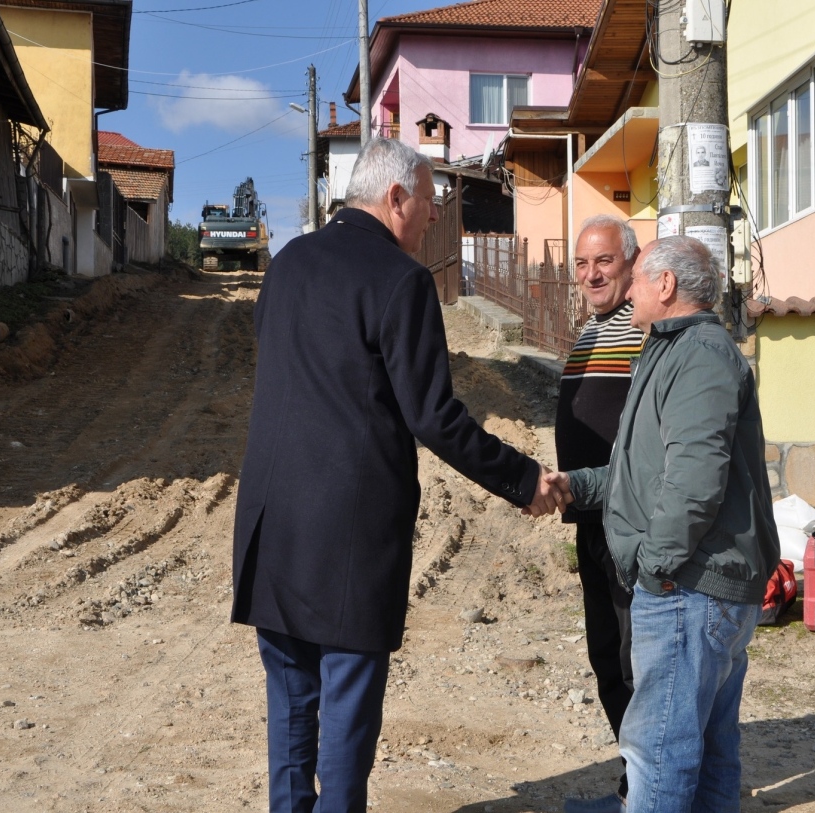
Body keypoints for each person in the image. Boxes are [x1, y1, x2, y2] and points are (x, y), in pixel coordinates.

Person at [231, 136, 571, 813]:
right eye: (429, 204)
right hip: (349, 536)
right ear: (394, 198)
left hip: (271, 522)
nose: (431, 219)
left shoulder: (289, 262)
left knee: (292, 714)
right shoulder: (399, 280)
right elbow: (435, 416)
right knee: (346, 724)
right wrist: (524, 478)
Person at [547, 236, 780, 813]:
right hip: (695, 581)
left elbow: (693, 484)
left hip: (690, 585)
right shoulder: (671, 350)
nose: (628, 287)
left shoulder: (699, 353)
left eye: (638, 279)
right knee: (707, 744)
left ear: (667, 286)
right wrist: (576, 486)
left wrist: (653, 568)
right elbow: (638, 469)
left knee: (660, 749)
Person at [555, 216, 646, 813]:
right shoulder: (588, 331)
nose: (591, 274)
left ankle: (651, 788)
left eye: (604, 262)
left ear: (631, 264)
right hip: (591, 522)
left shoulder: (643, 332)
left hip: (629, 525)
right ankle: (635, 781)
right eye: (583, 264)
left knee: (636, 659)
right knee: (605, 654)